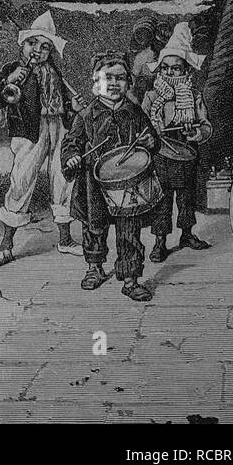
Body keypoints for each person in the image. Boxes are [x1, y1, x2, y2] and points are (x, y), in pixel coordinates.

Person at [0, 11, 85, 267]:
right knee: (21, 181)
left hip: (58, 127)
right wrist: (9, 81)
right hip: (30, 131)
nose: (37, 50)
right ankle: (5, 246)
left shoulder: (55, 73)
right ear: (23, 44)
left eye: (45, 47)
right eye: (33, 44)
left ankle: (65, 241)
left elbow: (66, 104)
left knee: (62, 178)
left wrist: (73, 104)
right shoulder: (12, 69)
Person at [62, 52, 160, 302]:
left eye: (121, 78)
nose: (114, 83)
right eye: (108, 77)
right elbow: (71, 143)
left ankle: (130, 279)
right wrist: (72, 157)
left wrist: (151, 141)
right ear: (96, 81)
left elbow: (151, 138)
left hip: (128, 183)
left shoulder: (135, 112)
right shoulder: (86, 115)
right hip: (93, 183)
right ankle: (95, 268)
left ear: (128, 82)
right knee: (94, 227)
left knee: (129, 231)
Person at [142, 23, 212, 262]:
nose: (170, 73)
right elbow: (141, 124)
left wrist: (199, 134)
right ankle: (160, 241)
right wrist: (150, 131)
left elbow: (205, 124)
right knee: (161, 200)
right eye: (166, 68)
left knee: (186, 197)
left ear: (186, 71)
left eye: (176, 68)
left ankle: (187, 234)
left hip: (188, 153)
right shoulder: (152, 97)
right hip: (161, 155)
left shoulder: (194, 96)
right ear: (160, 69)